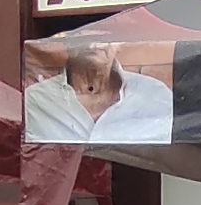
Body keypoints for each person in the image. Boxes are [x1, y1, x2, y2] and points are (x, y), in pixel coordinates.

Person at [22, 45, 173, 146]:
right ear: (67, 42)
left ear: (119, 43)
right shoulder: (35, 99)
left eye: (104, 34)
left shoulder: (155, 94)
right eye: (83, 34)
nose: (93, 44)